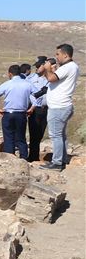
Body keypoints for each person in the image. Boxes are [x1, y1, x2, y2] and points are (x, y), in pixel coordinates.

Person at [39, 43, 79, 171]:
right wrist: (53, 70)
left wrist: (47, 69)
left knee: (56, 135)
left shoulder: (67, 67)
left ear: (66, 55)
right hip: (63, 106)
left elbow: (51, 78)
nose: (56, 57)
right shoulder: (72, 67)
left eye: (58, 54)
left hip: (58, 107)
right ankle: (61, 160)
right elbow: (58, 80)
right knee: (61, 135)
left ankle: (56, 163)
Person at [0, 64, 34, 159]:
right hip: (22, 114)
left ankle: (10, 159)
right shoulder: (27, 84)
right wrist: (32, 107)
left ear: (10, 74)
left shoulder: (7, 84)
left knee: (8, 137)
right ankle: (24, 159)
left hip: (8, 114)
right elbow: (38, 95)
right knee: (21, 138)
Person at [26, 56, 50, 161]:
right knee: (34, 133)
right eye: (36, 66)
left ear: (44, 65)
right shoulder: (31, 78)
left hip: (47, 108)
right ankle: (33, 157)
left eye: (38, 66)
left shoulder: (51, 78)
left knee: (40, 133)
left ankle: (35, 155)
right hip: (35, 109)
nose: (37, 68)